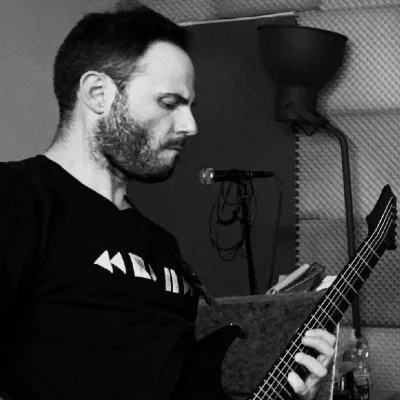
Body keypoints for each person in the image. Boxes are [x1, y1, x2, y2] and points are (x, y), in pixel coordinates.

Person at [0, 5, 336, 400]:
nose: (189, 125)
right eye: (168, 102)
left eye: (189, 105)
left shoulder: (163, 246)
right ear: (97, 94)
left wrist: (289, 391)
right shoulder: (18, 197)